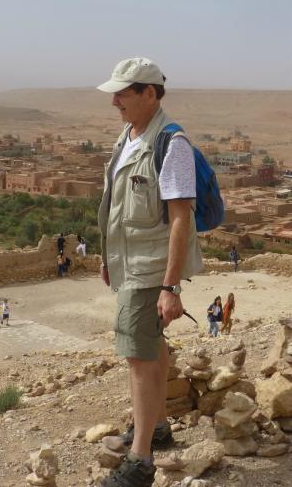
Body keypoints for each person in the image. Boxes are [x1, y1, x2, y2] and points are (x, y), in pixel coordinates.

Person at [96, 57, 203, 487]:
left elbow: (180, 217)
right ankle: (156, 428)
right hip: (130, 264)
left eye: (124, 93)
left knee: (137, 355)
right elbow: (119, 207)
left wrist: (170, 286)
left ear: (150, 93)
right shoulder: (130, 135)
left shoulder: (170, 143)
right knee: (151, 345)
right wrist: (109, 256)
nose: (115, 101)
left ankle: (140, 462)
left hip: (152, 271)